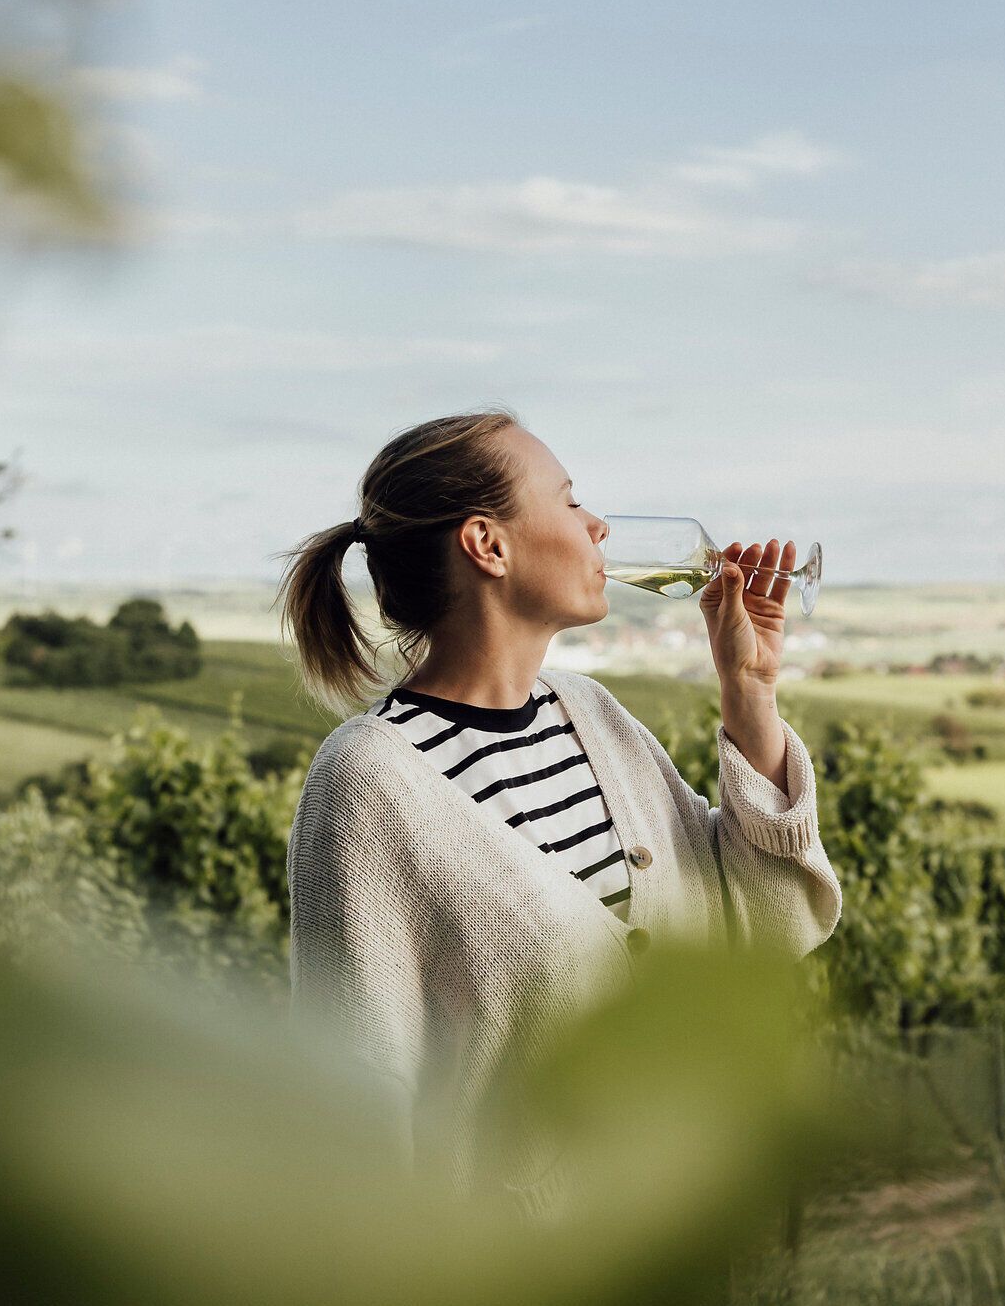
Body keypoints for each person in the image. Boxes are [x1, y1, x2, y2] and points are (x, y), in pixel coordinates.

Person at [277, 407, 841, 1219]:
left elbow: (771, 926)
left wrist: (749, 693)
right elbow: (355, 1107)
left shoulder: (593, 715)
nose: (598, 525)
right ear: (488, 544)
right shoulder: (368, 782)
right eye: (571, 501)